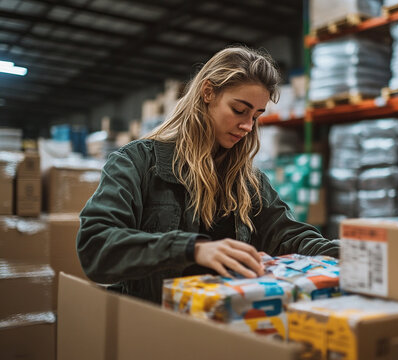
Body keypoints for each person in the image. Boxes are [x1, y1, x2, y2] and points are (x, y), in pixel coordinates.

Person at [76, 46, 339, 304]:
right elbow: (96, 247)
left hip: (224, 325)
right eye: (239, 110)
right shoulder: (136, 162)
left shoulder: (248, 182)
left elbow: (291, 236)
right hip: (154, 328)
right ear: (208, 92)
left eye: (256, 116)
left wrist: (356, 253)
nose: (247, 126)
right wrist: (193, 248)